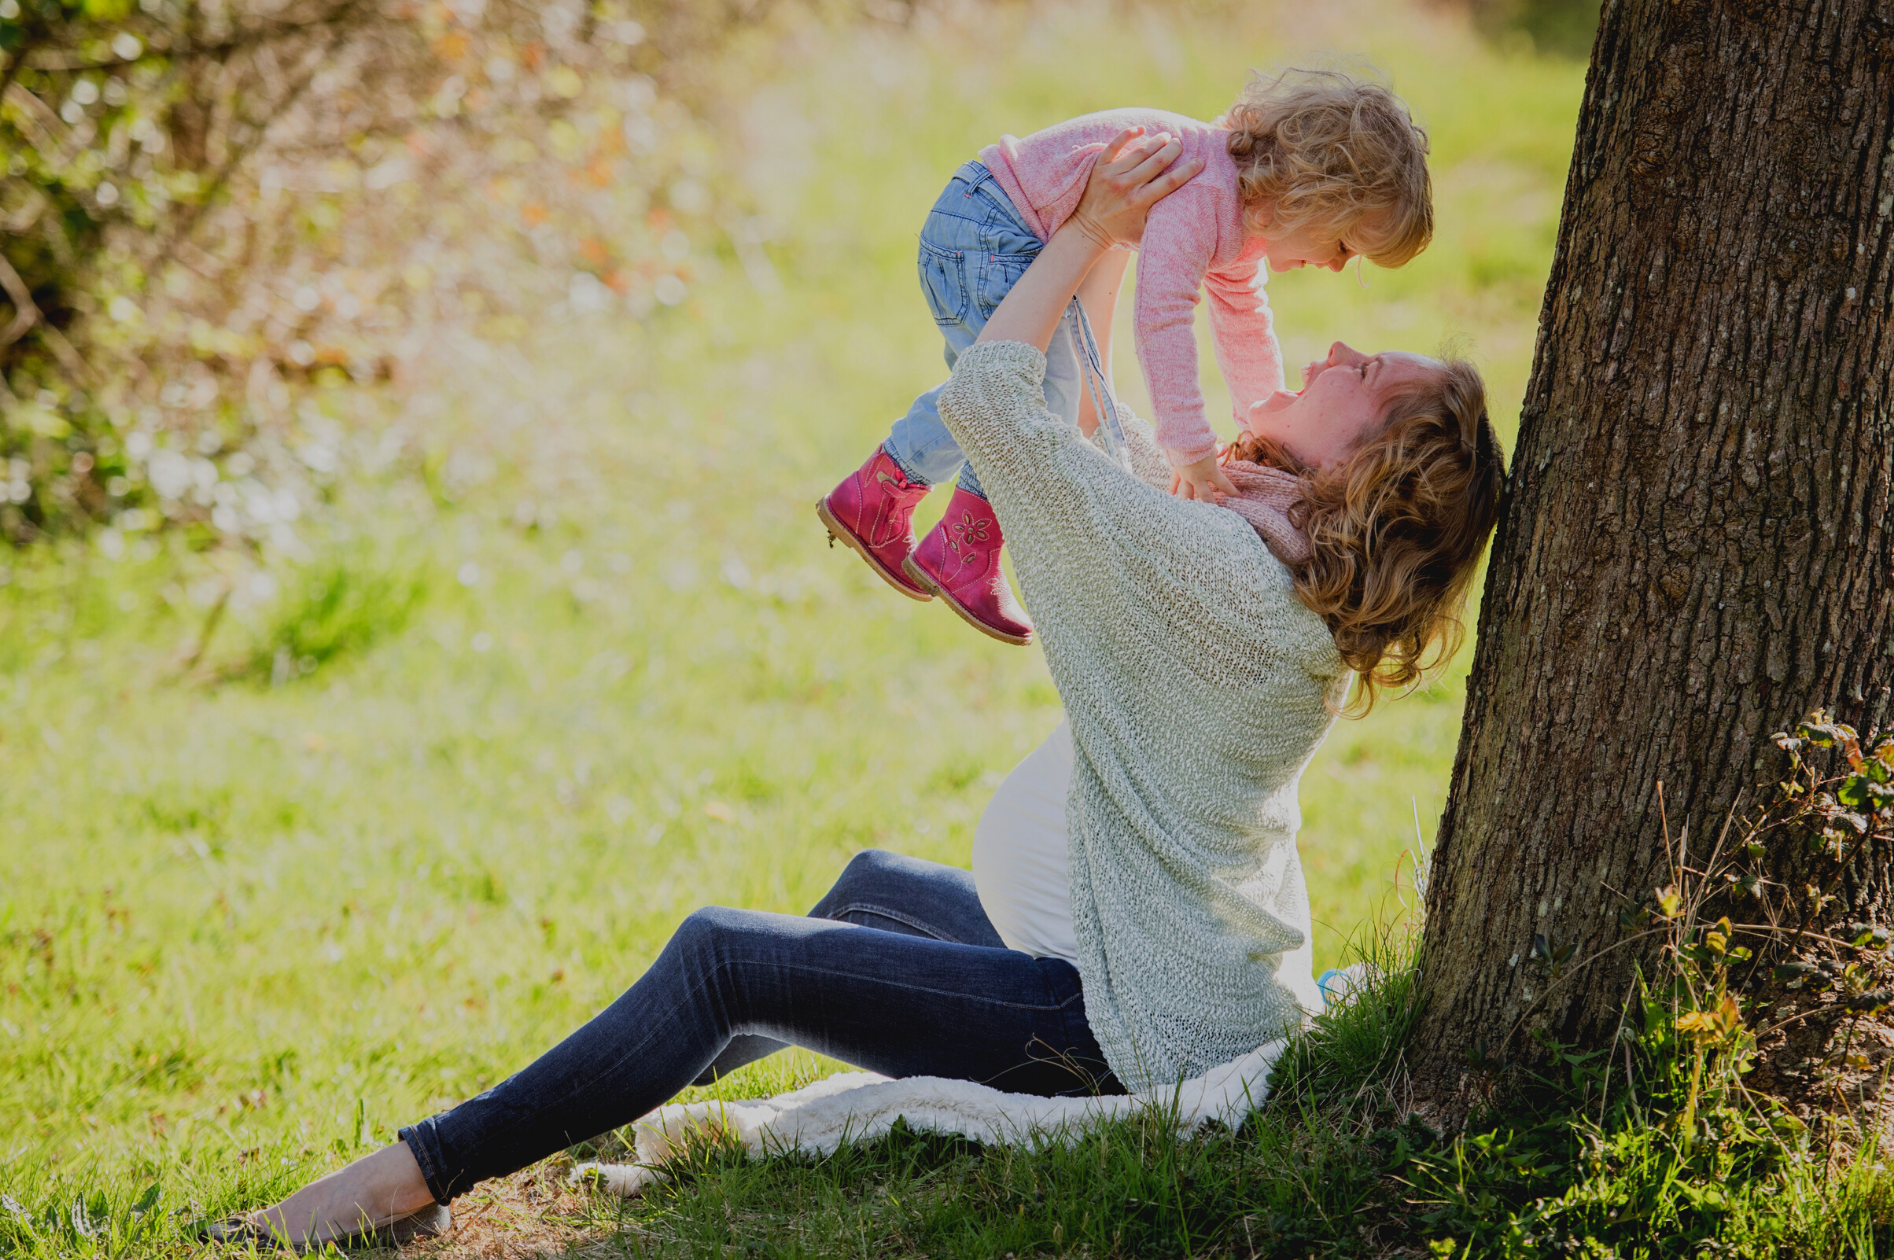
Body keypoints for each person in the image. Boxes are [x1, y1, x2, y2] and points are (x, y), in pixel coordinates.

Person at [211, 128, 1501, 1251]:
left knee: (727, 955)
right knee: (869, 891)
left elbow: (999, 402)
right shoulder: (1269, 566)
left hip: (1124, 1027)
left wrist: (1094, 232)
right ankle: (573, 1105)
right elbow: (1103, 441)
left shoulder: (1220, 575)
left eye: (1369, 374)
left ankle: (411, 1177)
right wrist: (1114, 244)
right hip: (1159, 969)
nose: (1336, 343)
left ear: (1369, 471)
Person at [818, 68, 1433, 645]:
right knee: (1026, 392)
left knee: (1022, 387)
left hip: (997, 224)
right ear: (1311, 193)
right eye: (1345, 244)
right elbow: (1161, 316)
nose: (1333, 265)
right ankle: (960, 542)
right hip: (989, 228)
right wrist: (1190, 448)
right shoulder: (1208, 192)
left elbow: (1244, 323)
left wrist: (1258, 428)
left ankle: (882, 496)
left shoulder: (1242, 216)